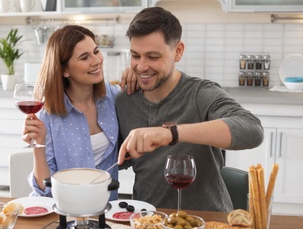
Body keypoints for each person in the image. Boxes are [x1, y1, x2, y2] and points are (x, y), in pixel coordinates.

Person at [116, 7, 264, 212]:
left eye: (152, 57)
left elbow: (252, 129)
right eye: (135, 56)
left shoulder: (200, 93)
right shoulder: (125, 100)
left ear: (178, 51)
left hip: (207, 223)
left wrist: (171, 134)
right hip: (149, 223)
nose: (141, 66)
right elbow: (118, 159)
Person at [22, 25, 134, 200]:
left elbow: (127, 154)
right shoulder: (48, 114)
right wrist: (38, 144)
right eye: (84, 57)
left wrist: (135, 75)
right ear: (64, 70)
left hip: (104, 208)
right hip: (63, 210)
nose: (96, 60)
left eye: (96, 51)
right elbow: (44, 188)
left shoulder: (112, 98)